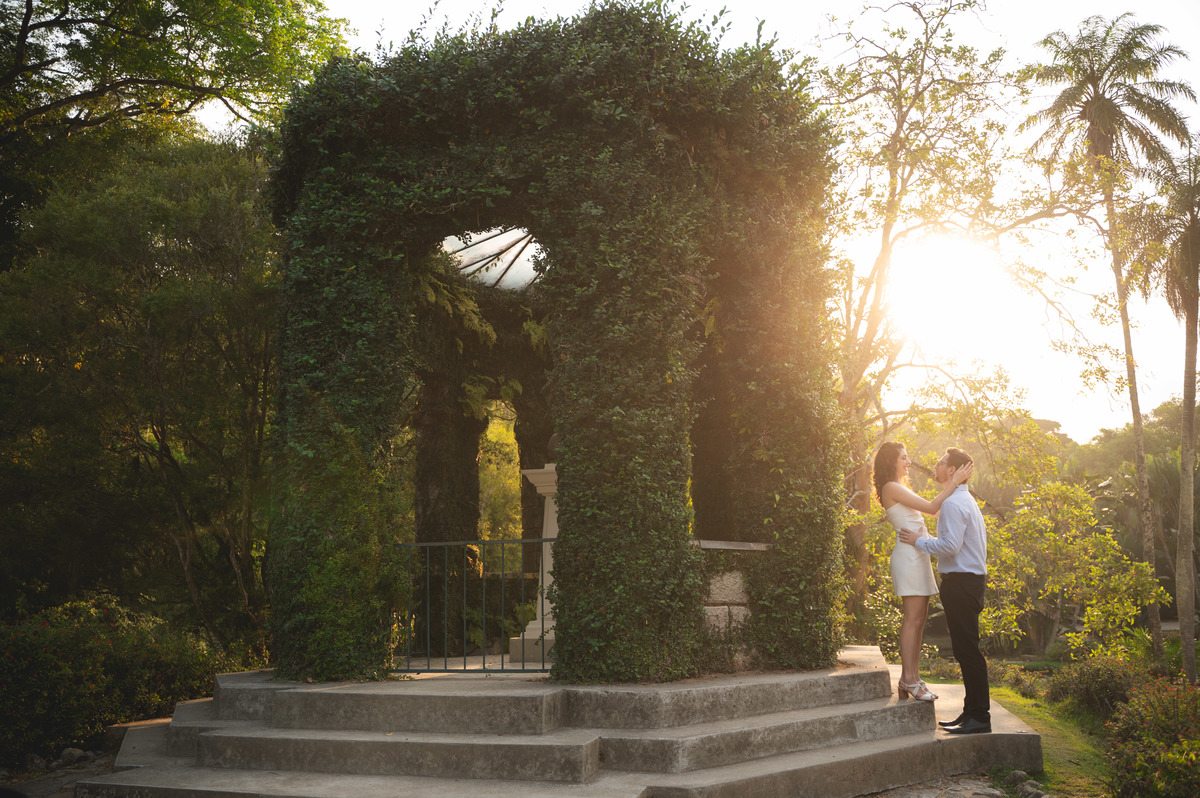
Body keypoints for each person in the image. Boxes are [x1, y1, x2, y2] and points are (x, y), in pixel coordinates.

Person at [899, 447, 991, 734]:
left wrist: (918, 541)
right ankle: (971, 713)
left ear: (952, 471)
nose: (935, 466)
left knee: (968, 652)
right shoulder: (963, 500)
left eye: (940, 463)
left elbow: (950, 546)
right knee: (965, 651)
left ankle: (979, 717)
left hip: (962, 583)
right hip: (968, 582)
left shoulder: (953, 503)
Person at [873, 442, 972, 703]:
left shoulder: (902, 488)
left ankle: (913, 678)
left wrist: (957, 488)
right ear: (891, 461)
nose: (908, 462)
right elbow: (930, 508)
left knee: (919, 621)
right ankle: (908, 678)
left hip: (919, 554)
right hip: (908, 556)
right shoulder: (891, 487)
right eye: (904, 458)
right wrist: (955, 481)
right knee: (912, 620)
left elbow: (938, 510)